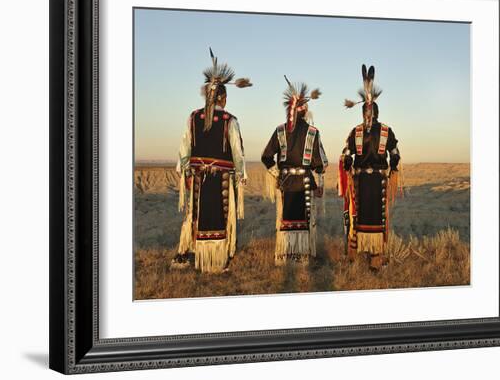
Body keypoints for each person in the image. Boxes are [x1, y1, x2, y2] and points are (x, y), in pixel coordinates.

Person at [172, 48, 252, 273]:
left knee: (196, 214)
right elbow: (237, 152)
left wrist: (184, 170)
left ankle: (195, 253)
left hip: (198, 178)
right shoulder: (229, 120)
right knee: (220, 218)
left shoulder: (193, 117)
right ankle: (217, 259)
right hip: (222, 180)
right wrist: (241, 174)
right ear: (223, 98)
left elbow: (183, 149)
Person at [339, 64, 402, 270]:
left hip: (361, 182)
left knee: (359, 216)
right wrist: (392, 169)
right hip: (378, 182)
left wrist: (349, 165)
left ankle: (357, 253)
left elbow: (346, 157)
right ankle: (376, 257)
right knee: (378, 217)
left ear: (365, 112)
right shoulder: (386, 131)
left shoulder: (355, 132)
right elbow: (395, 155)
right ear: (375, 110)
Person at [261, 76, 328, 265]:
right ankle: (302, 256)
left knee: (285, 219)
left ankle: (285, 255)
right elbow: (321, 164)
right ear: (305, 111)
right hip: (305, 183)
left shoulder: (280, 131)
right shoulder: (313, 133)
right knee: (305, 220)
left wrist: (278, 175)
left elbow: (266, 157)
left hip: (286, 183)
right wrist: (320, 183)